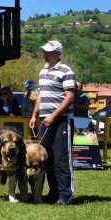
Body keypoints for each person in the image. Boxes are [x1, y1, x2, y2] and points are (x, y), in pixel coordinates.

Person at [29, 40, 76, 206]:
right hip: (44, 120)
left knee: (62, 159)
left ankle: (65, 195)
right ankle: (53, 192)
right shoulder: (43, 71)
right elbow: (41, 95)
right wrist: (35, 115)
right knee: (47, 158)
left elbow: (70, 97)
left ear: (58, 53)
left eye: (49, 52)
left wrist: (54, 115)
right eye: (44, 51)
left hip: (61, 120)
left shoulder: (66, 71)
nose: (45, 54)